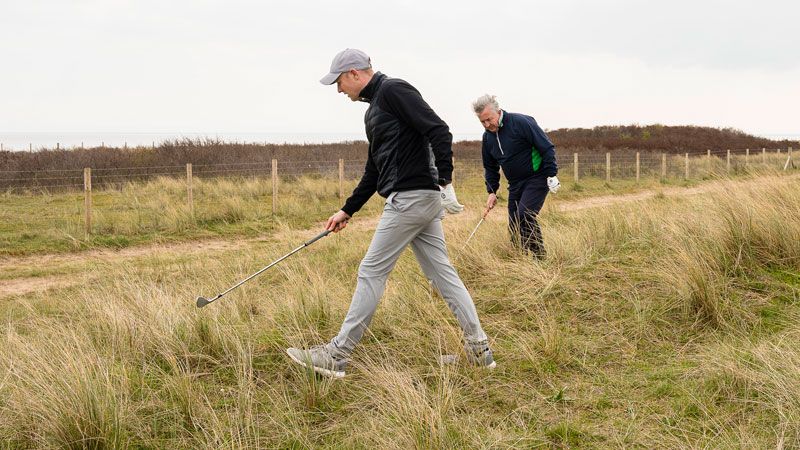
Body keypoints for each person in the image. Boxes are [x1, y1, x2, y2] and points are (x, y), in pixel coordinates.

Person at [286, 49, 493, 378]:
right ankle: (479, 350)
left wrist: (445, 181)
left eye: (339, 82)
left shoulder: (394, 91)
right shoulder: (375, 109)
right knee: (443, 275)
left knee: (371, 272)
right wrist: (347, 209)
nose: (339, 90)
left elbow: (439, 130)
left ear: (354, 73)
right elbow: (374, 169)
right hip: (418, 200)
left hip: (412, 198)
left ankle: (337, 355)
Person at [472, 94, 560, 258]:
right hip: (515, 184)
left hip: (537, 177)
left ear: (497, 111)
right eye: (482, 122)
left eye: (489, 119)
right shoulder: (487, 137)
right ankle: (518, 259)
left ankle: (539, 258)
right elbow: (490, 167)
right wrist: (491, 191)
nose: (487, 124)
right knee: (514, 224)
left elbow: (546, 147)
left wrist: (551, 174)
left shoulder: (521, 122)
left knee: (525, 215)